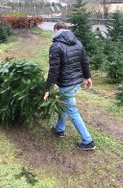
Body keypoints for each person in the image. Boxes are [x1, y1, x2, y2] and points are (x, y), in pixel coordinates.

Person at [44, 22, 96, 151]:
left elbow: (54, 70)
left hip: (66, 84)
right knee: (64, 105)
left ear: (56, 30)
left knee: (72, 111)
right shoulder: (78, 43)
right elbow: (84, 61)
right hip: (76, 81)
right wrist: (87, 77)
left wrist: (47, 88)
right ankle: (59, 129)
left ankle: (88, 141)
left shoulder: (56, 46)